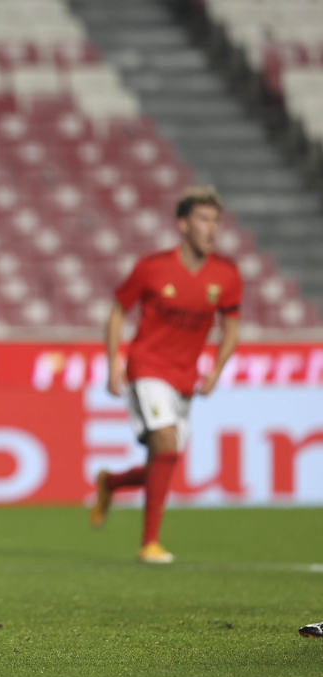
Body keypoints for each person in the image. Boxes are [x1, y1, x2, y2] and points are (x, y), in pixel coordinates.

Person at [89, 186, 242, 564]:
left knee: (164, 459)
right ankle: (149, 544)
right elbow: (116, 312)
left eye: (215, 220)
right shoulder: (153, 266)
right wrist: (113, 364)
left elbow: (231, 327)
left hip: (185, 377)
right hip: (147, 367)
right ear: (182, 224)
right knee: (165, 442)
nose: (211, 228)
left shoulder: (225, 274)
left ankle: (111, 483)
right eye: (203, 219)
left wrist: (216, 371)